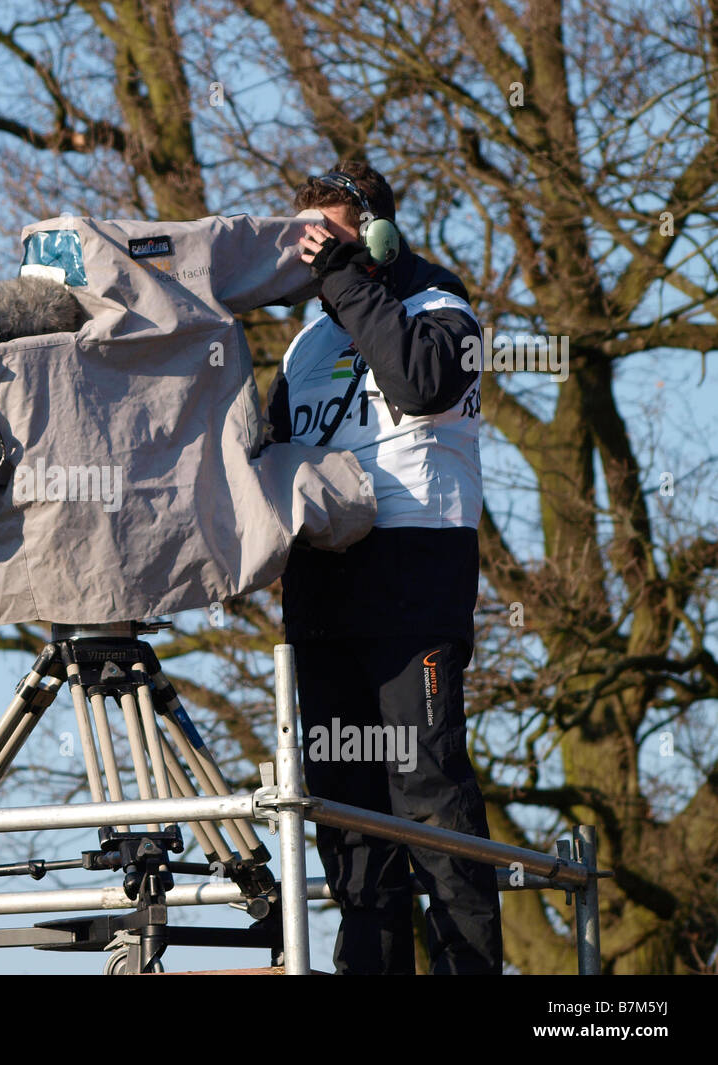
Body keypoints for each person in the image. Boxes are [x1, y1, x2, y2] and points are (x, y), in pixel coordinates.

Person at [266, 160, 502, 974]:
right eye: (309, 246)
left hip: (412, 574)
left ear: (378, 234)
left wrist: (343, 278)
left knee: (426, 785)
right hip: (323, 581)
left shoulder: (444, 308)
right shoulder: (305, 344)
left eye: (330, 239)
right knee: (345, 805)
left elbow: (415, 379)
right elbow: (264, 457)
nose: (316, 258)